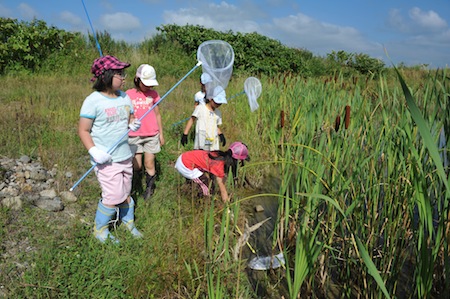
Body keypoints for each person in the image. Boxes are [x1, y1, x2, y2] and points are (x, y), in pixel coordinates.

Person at [78, 55, 143, 243]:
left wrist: (133, 124)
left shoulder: (125, 97)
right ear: (105, 76)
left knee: (125, 191)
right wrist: (94, 151)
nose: (124, 77)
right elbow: (83, 130)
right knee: (113, 194)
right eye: (119, 74)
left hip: (124, 155)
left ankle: (127, 222)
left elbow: (130, 117)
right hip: (105, 159)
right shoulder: (93, 100)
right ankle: (100, 229)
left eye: (123, 73)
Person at [127, 64, 164, 200]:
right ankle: (135, 185)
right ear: (137, 80)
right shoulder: (129, 95)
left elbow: (158, 115)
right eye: (145, 83)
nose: (148, 87)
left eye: (150, 84)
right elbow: (125, 114)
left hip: (151, 134)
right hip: (134, 135)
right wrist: (130, 122)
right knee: (137, 165)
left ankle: (149, 189)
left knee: (149, 163)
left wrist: (161, 134)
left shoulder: (154, 95)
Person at [175, 141, 249, 203]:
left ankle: (190, 191)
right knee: (207, 189)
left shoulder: (219, 155)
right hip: (185, 165)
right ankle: (203, 204)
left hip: (186, 157)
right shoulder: (218, 165)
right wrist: (227, 205)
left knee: (208, 184)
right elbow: (222, 187)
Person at [181, 85, 227, 151]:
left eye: (220, 103)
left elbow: (215, 125)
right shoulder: (200, 108)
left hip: (213, 142)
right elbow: (191, 120)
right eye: (216, 102)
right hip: (201, 140)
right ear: (210, 98)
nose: (218, 105)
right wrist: (185, 134)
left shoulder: (218, 113)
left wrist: (221, 134)